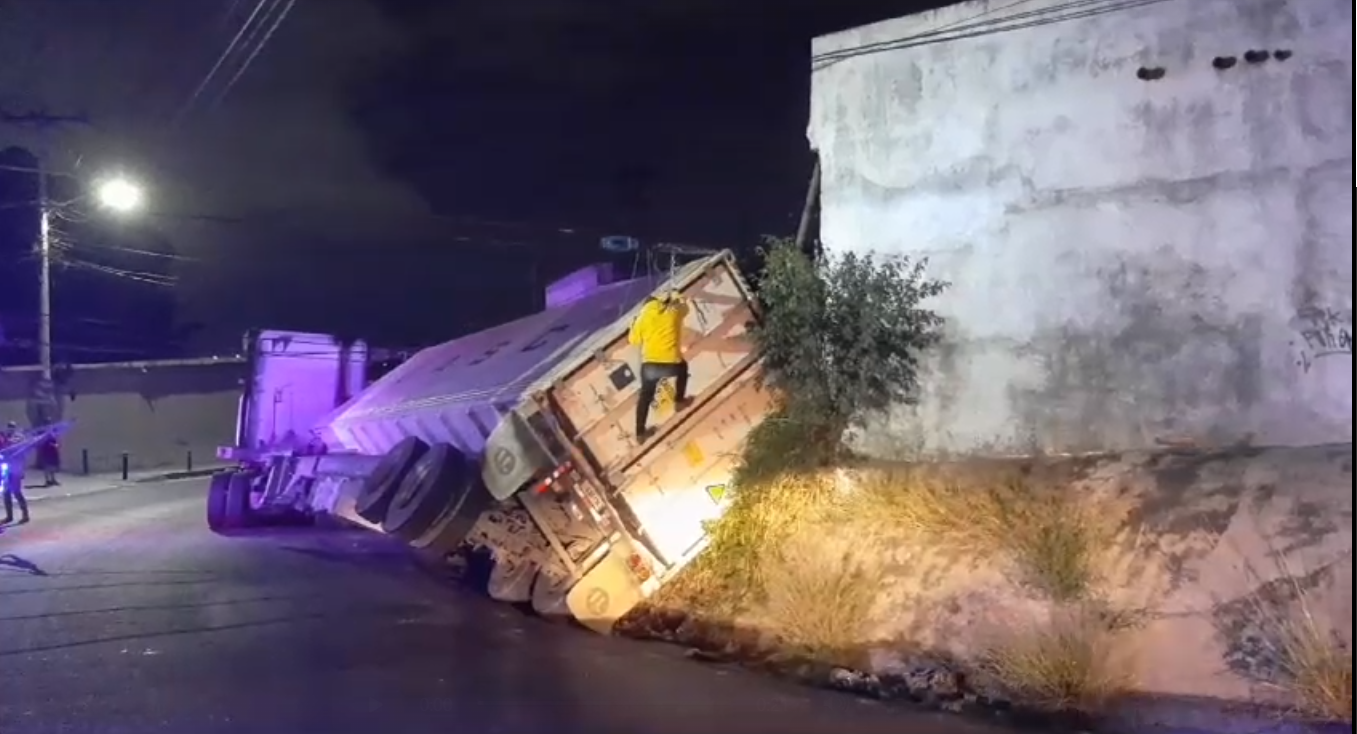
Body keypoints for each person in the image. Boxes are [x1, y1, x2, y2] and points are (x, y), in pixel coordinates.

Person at [628, 291, 692, 441]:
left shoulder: (642, 319)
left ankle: (640, 433)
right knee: (683, 369)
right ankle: (679, 401)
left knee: (645, 397)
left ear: (645, 307)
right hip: (672, 363)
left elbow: (633, 340)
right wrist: (677, 296)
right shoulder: (672, 311)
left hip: (650, 366)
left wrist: (633, 323)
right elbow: (685, 308)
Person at [1, 421, 30, 525]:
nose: (10, 429)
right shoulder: (4, 437)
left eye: (12, 427)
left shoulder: (18, 438)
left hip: (16, 469)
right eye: (9, 427)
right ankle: (9, 516)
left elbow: (21, 452)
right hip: (6, 469)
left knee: (17, 492)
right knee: (6, 493)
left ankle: (25, 514)